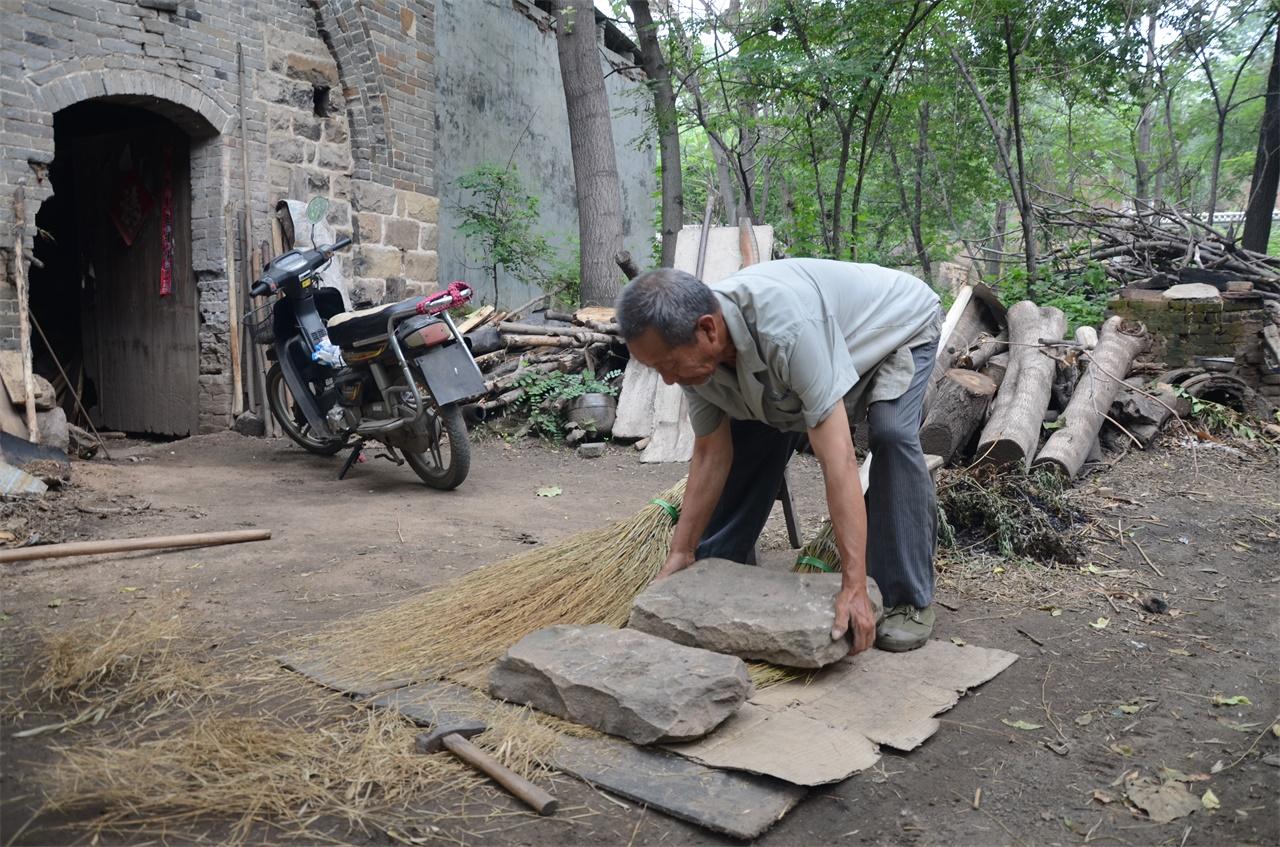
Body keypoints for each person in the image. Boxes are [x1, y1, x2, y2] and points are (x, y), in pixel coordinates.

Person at [616, 258, 942, 654]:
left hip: (894, 329)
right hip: (825, 344)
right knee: (751, 426)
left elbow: (838, 461)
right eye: (657, 369)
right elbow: (709, 455)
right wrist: (681, 551)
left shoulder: (786, 329)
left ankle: (907, 596)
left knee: (891, 433)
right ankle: (719, 559)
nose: (668, 379)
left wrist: (853, 586)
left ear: (707, 328)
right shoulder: (691, 352)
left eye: (668, 365)